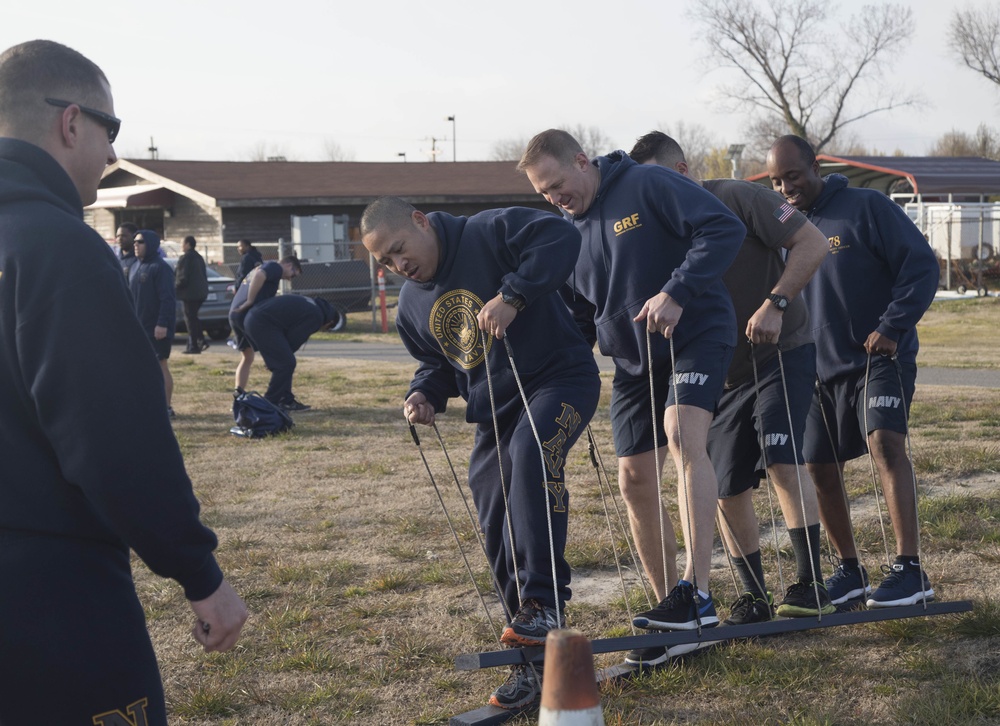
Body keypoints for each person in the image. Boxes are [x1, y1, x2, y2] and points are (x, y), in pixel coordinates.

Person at [0, 39, 246, 726]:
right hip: (50, 597)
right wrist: (202, 576)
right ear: (71, 122)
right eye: (112, 130)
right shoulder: (56, 247)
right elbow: (115, 442)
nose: (112, 155)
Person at [360, 196, 600, 710]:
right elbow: (436, 363)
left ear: (421, 222)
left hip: (561, 379)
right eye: (386, 262)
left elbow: (562, 239)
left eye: (400, 249)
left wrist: (513, 294)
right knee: (492, 501)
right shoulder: (411, 306)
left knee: (532, 453)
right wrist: (423, 392)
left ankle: (544, 602)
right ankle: (532, 659)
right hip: (494, 412)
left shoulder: (489, 231)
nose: (398, 265)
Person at [518, 130, 744, 666]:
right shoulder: (568, 232)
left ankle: (698, 595)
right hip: (631, 359)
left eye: (556, 184)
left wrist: (677, 291)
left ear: (581, 160)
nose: (554, 197)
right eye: (543, 193)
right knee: (633, 477)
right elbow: (577, 313)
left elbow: (723, 227)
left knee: (682, 434)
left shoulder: (648, 183)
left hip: (694, 332)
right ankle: (670, 608)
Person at [629, 131, 833, 622]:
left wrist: (776, 303)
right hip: (722, 366)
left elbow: (813, 242)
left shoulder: (739, 197)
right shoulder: (658, 229)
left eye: (653, 182)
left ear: (678, 173)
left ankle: (810, 585)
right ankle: (754, 595)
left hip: (779, 347)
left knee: (782, 455)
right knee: (722, 483)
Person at [766, 135, 940, 608]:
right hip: (817, 370)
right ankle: (850, 570)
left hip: (878, 356)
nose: (785, 188)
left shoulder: (867, 207)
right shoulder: (785, 230)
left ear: (815, 167)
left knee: (885, 443)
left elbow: (923, 266)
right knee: (819, 466)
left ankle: (909, 568)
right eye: (777, 181)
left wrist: (893, 325)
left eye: (793, 176)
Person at [242, 294, 343, 411]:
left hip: (255, 317)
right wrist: (278, 357)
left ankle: (285, 400)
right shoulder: (317, 316)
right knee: (286, 364)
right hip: (263, 322)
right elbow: (294, 338)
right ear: (329, 322)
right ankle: (270, 403)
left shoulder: (313, 304)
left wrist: (277, 356)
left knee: (286, 363)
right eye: (326, 329)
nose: (322, 329)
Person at [229, 255, 301, 396]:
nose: (290, 278)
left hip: (235, 314)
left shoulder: (262, 266)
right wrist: (250, 301)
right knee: (279, 353)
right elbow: (261, 275)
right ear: (288, 265)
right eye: (293, 274)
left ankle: (239, 393)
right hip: (247, 315)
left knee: (247, 357)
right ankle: (279, 393)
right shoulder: (275, 267)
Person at [131, 229, 178, 416]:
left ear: (150, 244)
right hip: (140, 327)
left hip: (156, 327)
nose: (136, 244)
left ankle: (166, 408)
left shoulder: (160, 267)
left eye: (140, 242)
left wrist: (162, 324)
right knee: (143, 367)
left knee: (161, 365)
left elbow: (168, 299)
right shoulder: (136, 266)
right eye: (134, 241)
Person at [176, 234, 210, 354]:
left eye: (182, 243)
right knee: (193, 318)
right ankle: (201, 341)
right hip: (200, 292)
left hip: (190, 294)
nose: (181, 246)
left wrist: (174, 288)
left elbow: (182, 277)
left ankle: (194, 346)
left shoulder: (186, 258)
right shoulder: (199, 257)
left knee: (190, 320)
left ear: (188, 244)